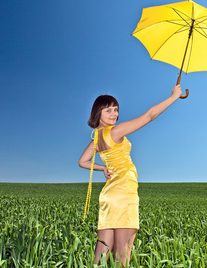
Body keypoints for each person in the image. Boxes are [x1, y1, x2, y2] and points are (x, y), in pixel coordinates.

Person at [78, 84, 182, 266]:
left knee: (101, 254)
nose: (114, 114)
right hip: (124, 193)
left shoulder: (97, 137)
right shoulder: (115, 131)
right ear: (98, 113)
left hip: (108, 196)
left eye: (116, 110)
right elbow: (149, 116)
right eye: (108, 110)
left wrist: (103, 168)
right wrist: (174, 97)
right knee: (122, 256)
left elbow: (82, 162)